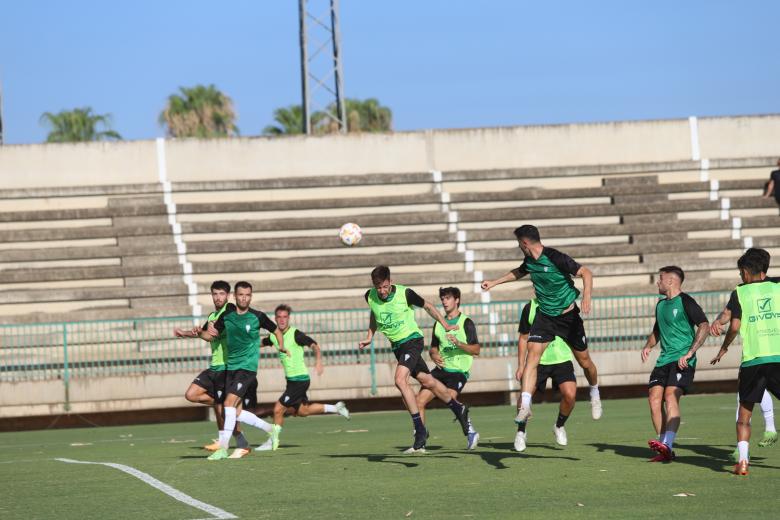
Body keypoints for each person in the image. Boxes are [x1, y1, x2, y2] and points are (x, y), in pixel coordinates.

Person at [481, 224, 602, 423]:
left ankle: (595, 392)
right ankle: (525, 406)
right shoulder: (529, 260)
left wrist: (586, 296)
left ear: (525, 243)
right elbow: (519, 272)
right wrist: (494, 282)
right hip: (545, 316)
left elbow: (586, 272)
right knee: (532, 359)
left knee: (585, 362)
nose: (519, 246)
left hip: (568, 317)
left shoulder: (555, 257)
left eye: (519, 243)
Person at [359, 266, 475, 453]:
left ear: (390, 281)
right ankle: (458, 408)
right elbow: (375, 313)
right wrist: (369, 336)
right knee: (427, 380)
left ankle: (420, 430)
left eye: (385, 286)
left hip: (412, 341)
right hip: (398, 347)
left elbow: (428, 306)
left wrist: (445, 324)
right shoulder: (369, 296)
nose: (382, 291)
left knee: (399, 380)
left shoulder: (405, 293)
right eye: (378, 287)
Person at [710, 248, 780, 475]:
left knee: (744, 415)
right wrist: (718, 321)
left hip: (753, 361)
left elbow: (734, 324)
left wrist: (724, 347)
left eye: (741, 273)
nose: (741, 277)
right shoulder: (778, 285)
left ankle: (742, 461)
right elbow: (726, 317)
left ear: (745, 271)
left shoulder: (740, 292)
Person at [200, 281, 287, 460]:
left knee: (227, 405)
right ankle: (271, 430)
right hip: (231, 367)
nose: (244, 298)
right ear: (235, 296)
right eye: (241, 295)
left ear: (251, 296)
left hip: (247, 368)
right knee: (235, 412)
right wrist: (196, 333)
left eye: (247, 295)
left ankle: (223, 448)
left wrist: (282, 346)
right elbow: (210, 335)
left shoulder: (258, 316)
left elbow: (276, 331)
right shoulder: (227, 317)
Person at [174, 280, 258, 453]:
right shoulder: (213, 316)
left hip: (228, 366)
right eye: (215, 294)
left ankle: (228, 441)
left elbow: (213, 335)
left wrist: (207, 333)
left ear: (228, 296)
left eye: (221, 294)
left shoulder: (230, 312)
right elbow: (206, 333)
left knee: (222, 409)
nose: (218, 297)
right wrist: (187, 333)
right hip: (215, 366)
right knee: (192, 394)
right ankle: (226, 408)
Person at [640, 267, 709, 462]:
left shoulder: (686, 301)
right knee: (654, 399)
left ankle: (668, 444)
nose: (657, 282)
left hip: (682, 360)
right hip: (664, 360)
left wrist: (690, 352)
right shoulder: (660, 305)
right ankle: (663, 446)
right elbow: (657, 331)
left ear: (671, 281)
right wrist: (647, 346)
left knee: (670, 397)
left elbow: (704, 325)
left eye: (660, 278)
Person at [259, 304, 350, 451]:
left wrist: (319, 361)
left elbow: (314, 345)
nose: (282, 320)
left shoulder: (296, 334)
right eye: (279, 317)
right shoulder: (273, 337)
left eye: (285, 317)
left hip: (300, 380)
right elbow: (259, 343)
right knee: (303, 411)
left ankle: (272, 441)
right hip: (291, 381)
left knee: (278, 409)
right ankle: (336, 408)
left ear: (288, 318)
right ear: (275, 319)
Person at [416, 287, 480, 448]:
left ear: (457, 300)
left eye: (448, 298)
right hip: (440, 372)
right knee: (419, 401)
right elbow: (433, 348)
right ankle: (421, 440)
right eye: (442, 298)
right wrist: (433, 354)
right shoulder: (438, 324)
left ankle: (471, 431)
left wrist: (459, 344)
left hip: (458, 373)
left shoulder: (466, 322)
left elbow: (476, 349)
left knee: (450, 399)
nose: (444, 301)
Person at [514, 298, 577, 452]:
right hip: (537, 361)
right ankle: (521, 432)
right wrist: (521, 365)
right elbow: (523, 338)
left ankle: (559, 426)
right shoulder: (530, 307)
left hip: (561, 358)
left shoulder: (564, 302)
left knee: (570, 396)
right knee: (524, 399)